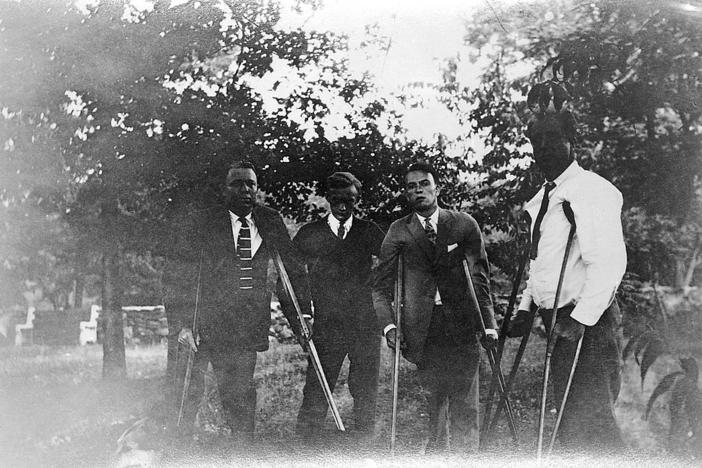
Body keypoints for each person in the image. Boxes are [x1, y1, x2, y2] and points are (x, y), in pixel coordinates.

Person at [507, 109, 627, 453]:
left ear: (571, 141)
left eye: (552, 139)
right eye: (535, 141)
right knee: (571, 421)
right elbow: (542, 263)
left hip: (587, 322)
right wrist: (526, 309)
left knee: (595, 423)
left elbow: (608, 264)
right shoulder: (541, 199)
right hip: (559, 321)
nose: (543, 148)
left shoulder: (590, 190)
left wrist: (579, 322)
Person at [166, 160, 309, 443]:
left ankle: (242, 457)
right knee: (185, 396)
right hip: (201, 325)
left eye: (251, 184)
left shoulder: (269, 221)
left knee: (240, 399)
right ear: (225, 189)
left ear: (257, 188)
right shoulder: (203, 221)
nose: (245, 190)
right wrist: (182, 324)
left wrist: (302, 317)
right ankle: (175, 454)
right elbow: (176, 274)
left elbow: (291, 272)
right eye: (237, 184)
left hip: (244, 327)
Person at [372, 162, 498, 454]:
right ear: (406, 193)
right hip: (423, 330)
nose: (419, 190)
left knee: (465, 406)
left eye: (424, 184)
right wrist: (390, 326)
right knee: (435, 405)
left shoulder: (464, 224)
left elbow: (480, 278)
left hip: (462, 325)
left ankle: (467, 458)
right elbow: (380, 287)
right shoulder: (398, 231)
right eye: (411, 186)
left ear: (436, 188)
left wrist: (488, 325)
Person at [292, 172, 386, 442]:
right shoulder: (310, 234)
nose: (343, 206)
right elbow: (291, 276)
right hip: (326, 326)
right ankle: (305, 447)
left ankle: (363, 445)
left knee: (366, 387)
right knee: (317, 388)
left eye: (350, 200)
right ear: (327, 198)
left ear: (357, 199)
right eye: (336, 200)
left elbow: (393, 264)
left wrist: (381, 293)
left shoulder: (369, 231)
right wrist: (304, 315)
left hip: (365, 324)